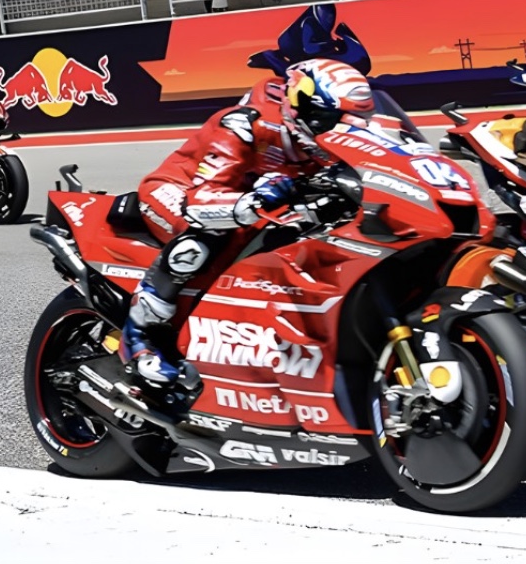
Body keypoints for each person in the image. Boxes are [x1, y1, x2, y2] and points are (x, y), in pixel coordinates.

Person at [119, 57, 375, 403]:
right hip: (179, 191)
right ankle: (139, 337)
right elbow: (201, 200)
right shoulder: (245, 123)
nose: (342, 130)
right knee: (203, 239)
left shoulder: (327, 136)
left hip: (252, 204)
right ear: (301, 106)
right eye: (333, 121)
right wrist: (250, 202)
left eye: (355, 121)